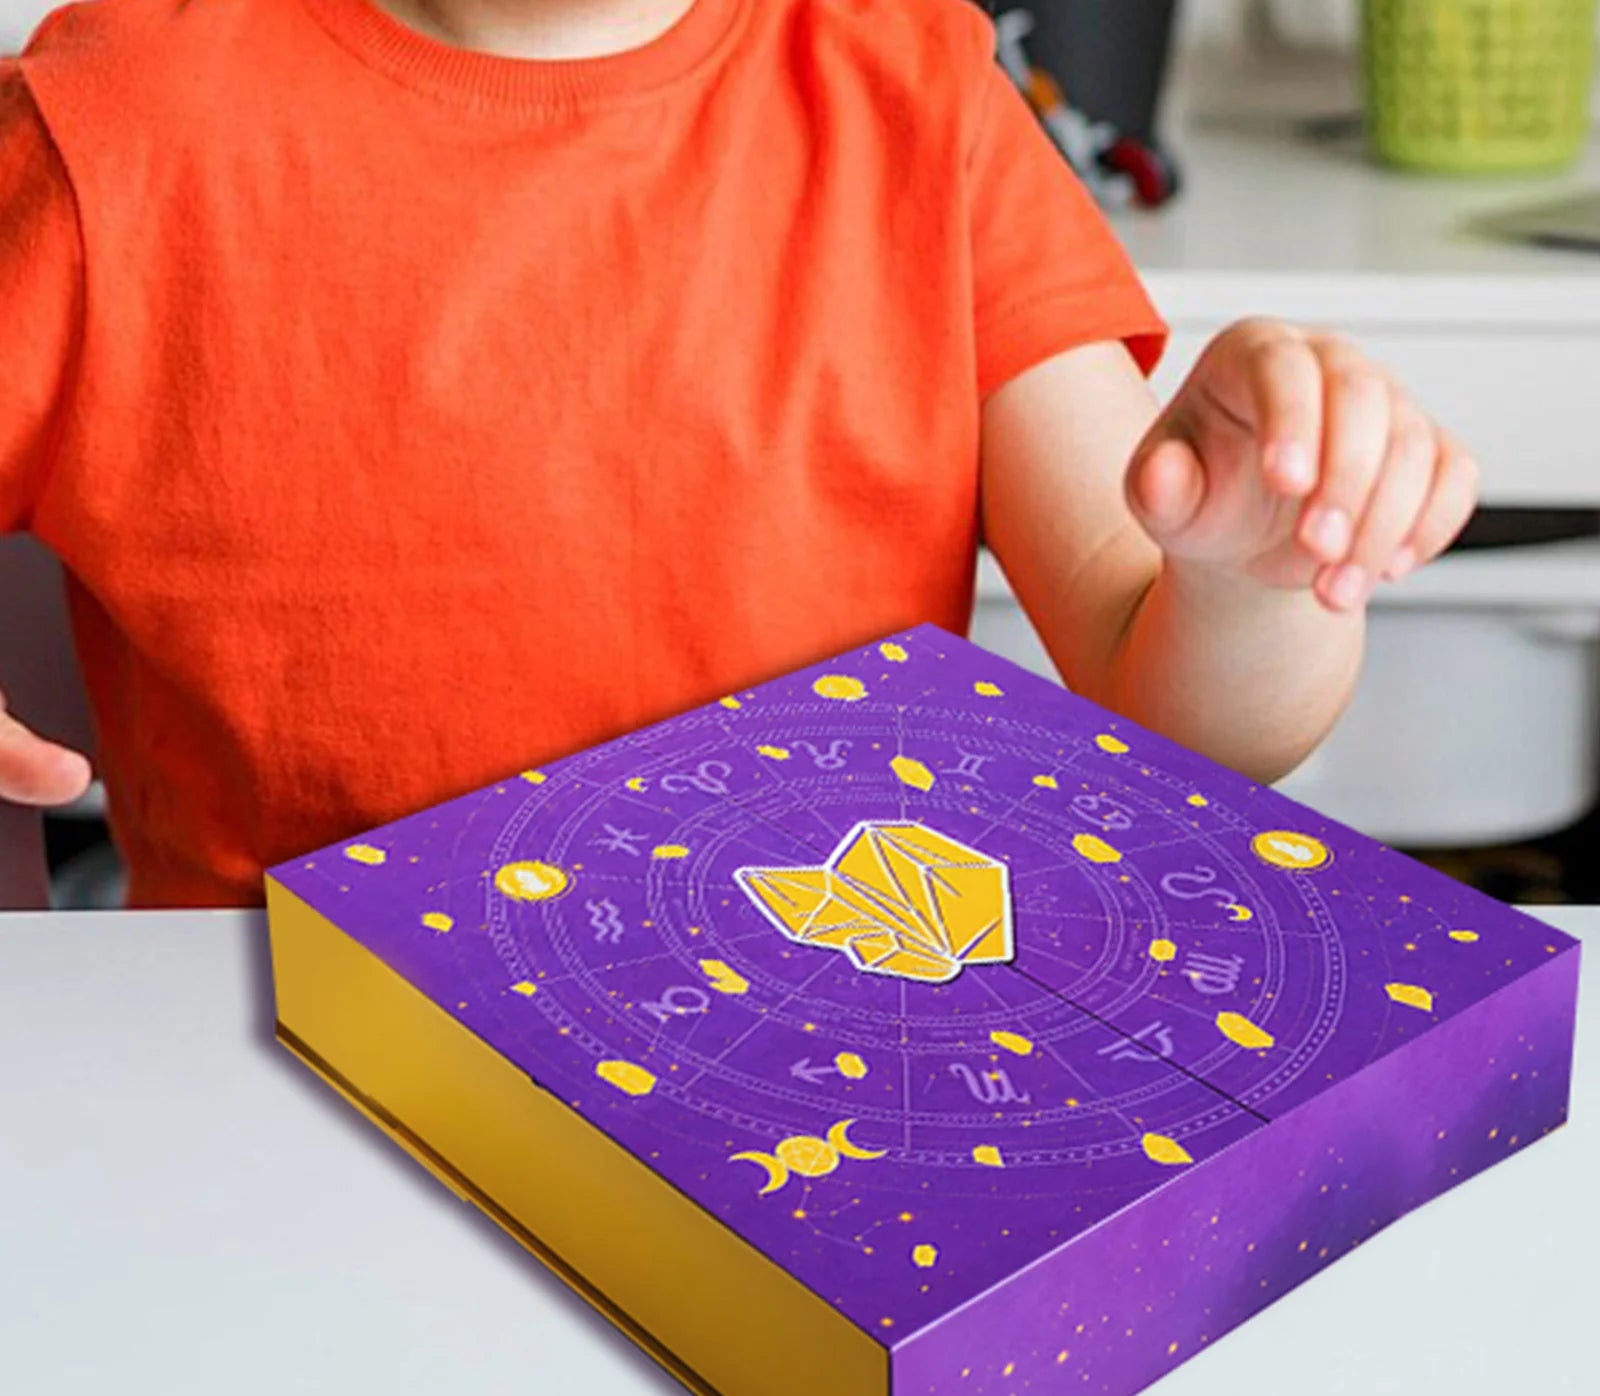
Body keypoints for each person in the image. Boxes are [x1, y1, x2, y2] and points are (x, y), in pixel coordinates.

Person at [0, 0, 1478, 909]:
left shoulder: (921, 94)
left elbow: (1179, 717)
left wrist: (1257, 573)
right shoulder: (107, 119)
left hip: (826, 1045)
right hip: (271, 1060)